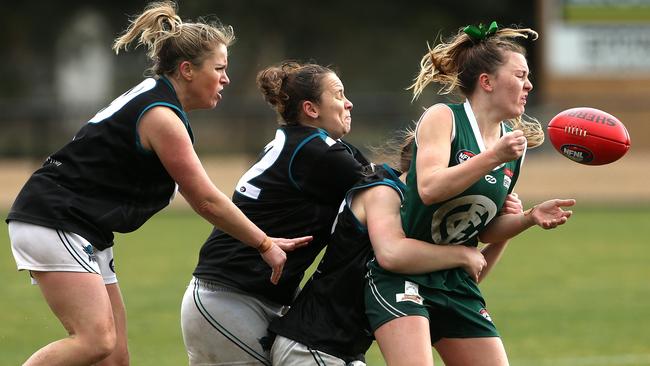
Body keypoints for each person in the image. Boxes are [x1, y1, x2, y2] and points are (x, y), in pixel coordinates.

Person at [5, 3, 310, 365]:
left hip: (80, 226)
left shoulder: (157, 98)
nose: (226, 78)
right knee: (95, 341)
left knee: (115, 355)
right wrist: (263, 242)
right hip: (55, 218)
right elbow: (205, 199)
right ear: (187, 70)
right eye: (219, 68)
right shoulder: (161, 116)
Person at [364, 22, 577, 366]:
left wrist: (528, 218)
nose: (529, 85)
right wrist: (493, 156)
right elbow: (430, 188)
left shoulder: (512, 145)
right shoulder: (443, 117)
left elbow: (481, 229)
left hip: (456, 283)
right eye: (520, 75)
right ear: (487, 82)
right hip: (404, 274)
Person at [268, 134, 526, 366]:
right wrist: (461, 254)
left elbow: (464, 276)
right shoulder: (384, 191)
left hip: (341, 351)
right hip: (311, 345)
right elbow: (391, 254)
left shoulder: (429, 218)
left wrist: (505, 231)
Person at [180, 61, 369, 366]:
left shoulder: (312, 145)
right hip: (230, 298)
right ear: (311, 109)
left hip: (247, 297)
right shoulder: (318, 153)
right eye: (338, 94)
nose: (348, 103)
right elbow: (388, 194)